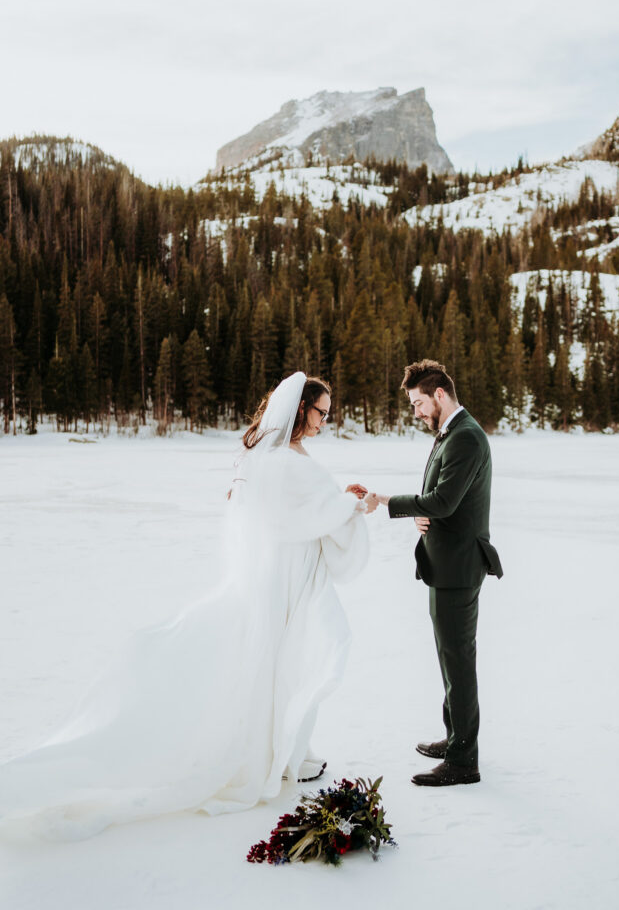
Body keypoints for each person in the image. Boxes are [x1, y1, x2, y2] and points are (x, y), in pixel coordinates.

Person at [0, 372, 377, 841]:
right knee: (294, 655)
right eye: (322, 411)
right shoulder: (279, 460)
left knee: (292, 659)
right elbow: (295, 519)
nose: (326, 420)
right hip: (283, 579)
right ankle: (273, 751)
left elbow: (299, 511)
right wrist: (349, 504)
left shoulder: (278, 456)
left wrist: (344, 504)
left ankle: (289, 748)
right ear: (301, 409)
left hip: (294, 578)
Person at [373, 359, 502, 787]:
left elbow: (443, 502)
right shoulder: (452, 433)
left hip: (459, 566)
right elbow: (440, 500)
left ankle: (464, 761)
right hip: (447, 563)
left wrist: (391, 502)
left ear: (440, 395)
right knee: (450, 659)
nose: (416, 412)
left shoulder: (465, 437)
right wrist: (418, 516)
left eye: (418, 403)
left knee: (458, 661)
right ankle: (455, 738)